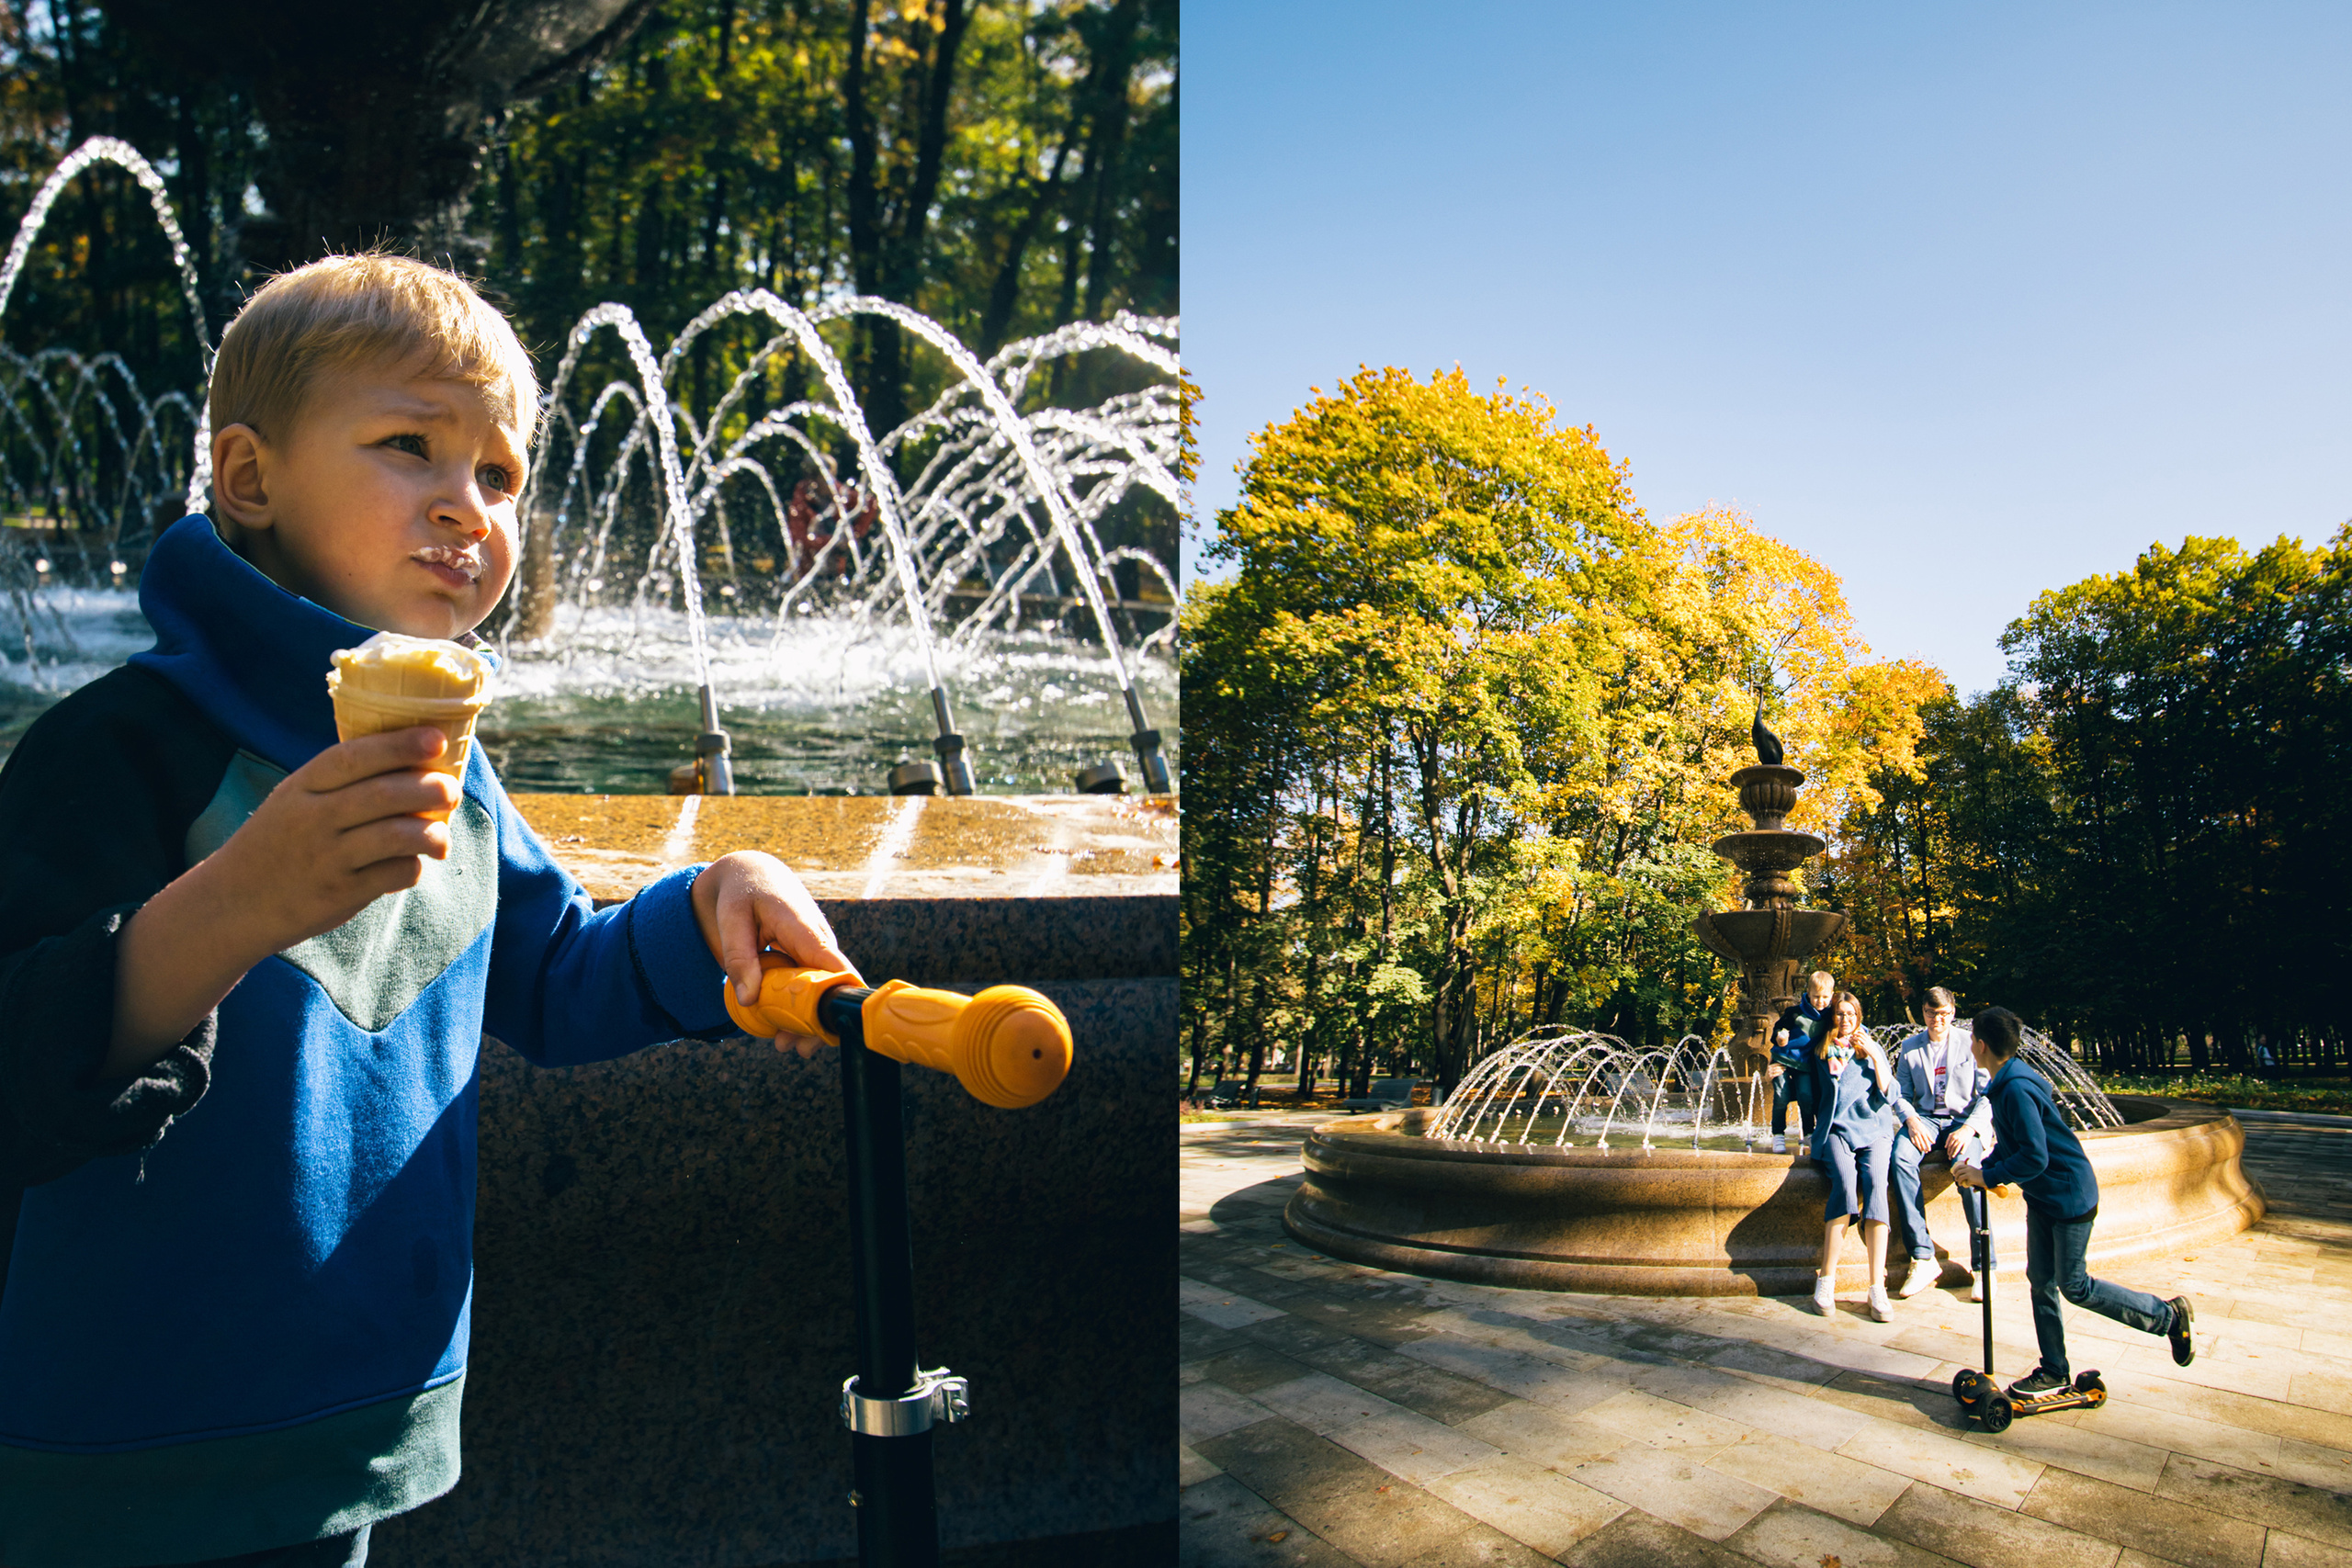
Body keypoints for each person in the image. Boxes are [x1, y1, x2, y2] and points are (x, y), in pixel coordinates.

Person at [0, 254, 854, 1568]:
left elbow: (558, 976)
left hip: (358, 1418)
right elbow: (24, 1052)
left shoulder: (461, 774)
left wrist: (709, 901)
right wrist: (244, 896)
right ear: (249, 478)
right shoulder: (124, 745)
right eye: (412, 447)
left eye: (501, 476)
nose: (469, 508)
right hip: (118, 1445)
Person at [1953, 1007, 2195, 1398]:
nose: (1970, 1045)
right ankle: (2053, 1370)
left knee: (2075, 1285)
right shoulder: (2008, 1081)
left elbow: (2035, 1156)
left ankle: (2167, 1316)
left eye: (1971, 1039)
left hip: (2068, 1196)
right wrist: (1980, 1166)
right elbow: (2016, 1145)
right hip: (2045, 1197)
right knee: (2040, 1282)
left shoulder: (2013, 1088)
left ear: (1980, 1045)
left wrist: (1988, 1176)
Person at [1888, 987, 1996, 1301]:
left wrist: (1970, 1130)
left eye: (1945, 1014)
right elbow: (1902, 1096)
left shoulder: (1970, 1043)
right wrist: (1912, 1121)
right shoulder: (1910, 1048)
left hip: (1963, 1121)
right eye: (1933, 1013)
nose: (1939, 1020)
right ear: (1923, 1012)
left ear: (1953, 1012)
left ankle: (1985, 1267)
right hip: (1926, 1120)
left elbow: (1989, 1094)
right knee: (1900, 1159)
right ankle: (1922, 1257)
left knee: (1968, 1173)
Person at [1807, 989, 1899, 1320]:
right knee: (1845, 1186)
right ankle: (1826, 1280)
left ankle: (1877, 1287)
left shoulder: (1869, 1047)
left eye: (1852, 1014)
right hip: (1836, 1130)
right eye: (1841, 1014)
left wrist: (1875, 1055)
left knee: (1876, 1185)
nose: (1846, 1020)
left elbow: (1890, 1091)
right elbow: (1809, 1090)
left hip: (1874, 1129)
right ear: (1833, 1016)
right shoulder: (1822, 1049)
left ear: (1859, 1016)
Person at [1766, 969, 1834, 1155]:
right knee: (1781, 1096)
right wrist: (1780, 1038)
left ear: (1832, 996)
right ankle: (1778, 1134)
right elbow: (1778, 1030)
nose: (1820, 1001)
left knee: (1807, 1097)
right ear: (1808, 994)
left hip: (1805, 1064)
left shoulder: (1829, 1016)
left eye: (1825, 997)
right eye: (1816, 996)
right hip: (1783, 1060)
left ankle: (1809, 1133)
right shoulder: (1794, 1012)